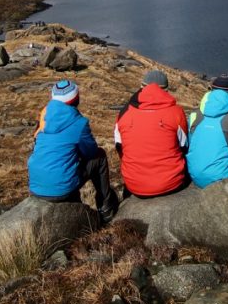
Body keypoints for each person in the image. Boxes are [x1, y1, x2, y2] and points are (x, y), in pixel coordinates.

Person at [28, 79, 118, 221]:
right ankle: (106, 208)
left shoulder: (45, 116)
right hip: (61, 188)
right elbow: (91, 152)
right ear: (76, 99)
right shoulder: (79, 123)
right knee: (100, 157)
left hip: (35, 186)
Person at [114, 69, 189, 198]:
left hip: (134, 185)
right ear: (166, 90)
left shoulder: (124, 113)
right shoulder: (176, 112)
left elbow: (119, 147)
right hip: (172, 183)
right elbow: (184, 146)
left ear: (141, 88)